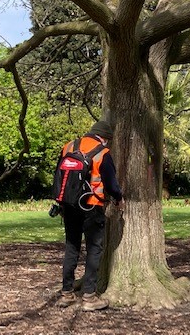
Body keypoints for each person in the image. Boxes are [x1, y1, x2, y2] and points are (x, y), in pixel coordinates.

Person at [56, 120, 125, 311]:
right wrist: (119, 198)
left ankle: (67, 293)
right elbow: (110, 183)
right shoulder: (102, 153)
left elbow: (59, 176)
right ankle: (89, 297)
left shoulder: (68, 146)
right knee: (94, 249)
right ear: (104, 138)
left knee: (72, 247)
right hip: (91, 206)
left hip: (68, 205)